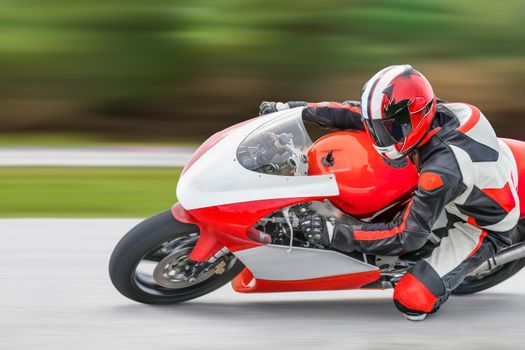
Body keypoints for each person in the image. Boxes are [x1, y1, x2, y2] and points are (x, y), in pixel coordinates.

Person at [259, 64, 520, 320]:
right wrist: (293, 112)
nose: (380, 135)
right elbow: (353, 112)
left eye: (389, 128)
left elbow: (407, 236)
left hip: (477, 223)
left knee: (412, 299)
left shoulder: (441, 170)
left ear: (414, 118)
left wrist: (335, 233)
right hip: (474, 173)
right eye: (377, 126)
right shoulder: (422, 112)